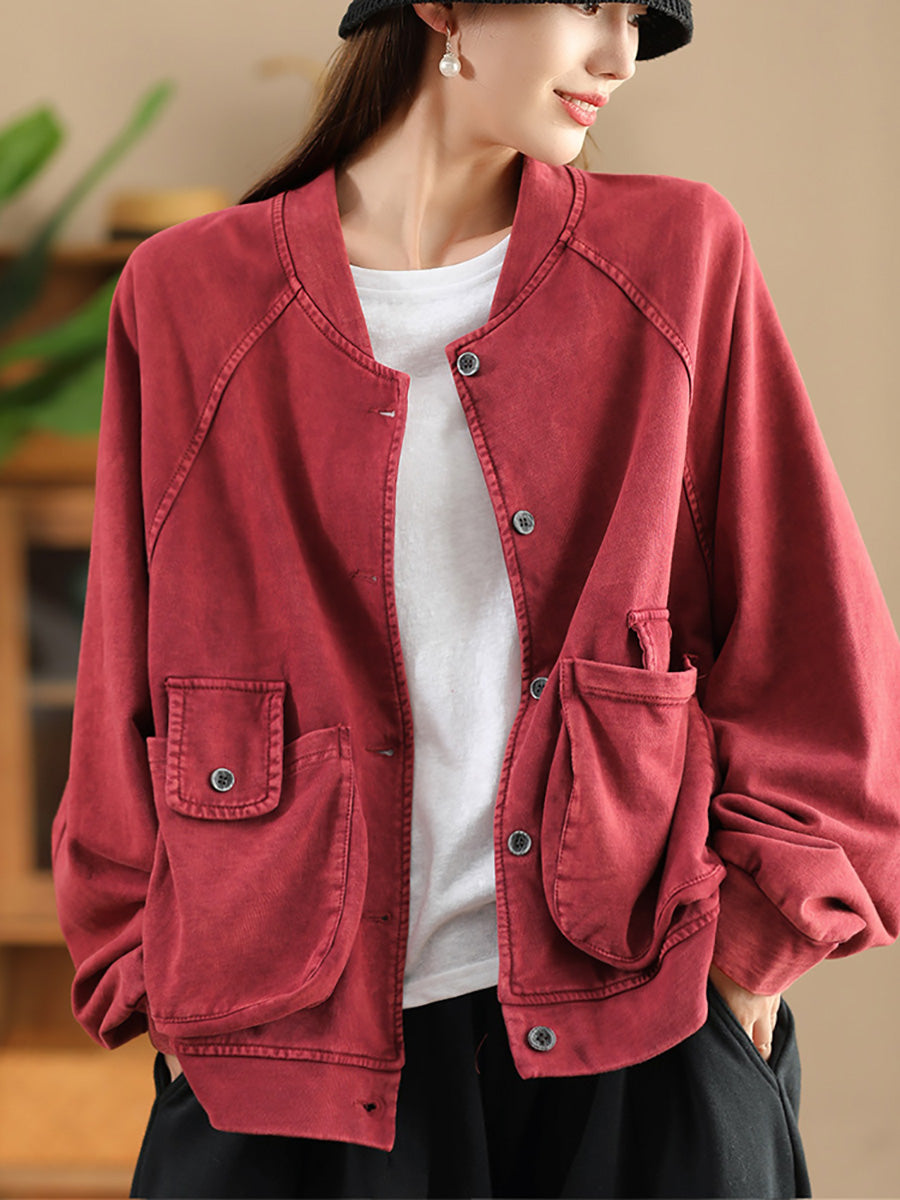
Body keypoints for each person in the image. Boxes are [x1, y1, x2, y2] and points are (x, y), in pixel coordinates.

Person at [51, 2, 900, 1197]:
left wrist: (752, 954)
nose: (619, 56)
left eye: (638, 20)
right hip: (280, 1049)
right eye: (589, 4)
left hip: (640, 1019)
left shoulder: (677, 256)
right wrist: (148, 972)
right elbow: (121, 673)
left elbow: (817, 641)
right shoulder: (191, 297)